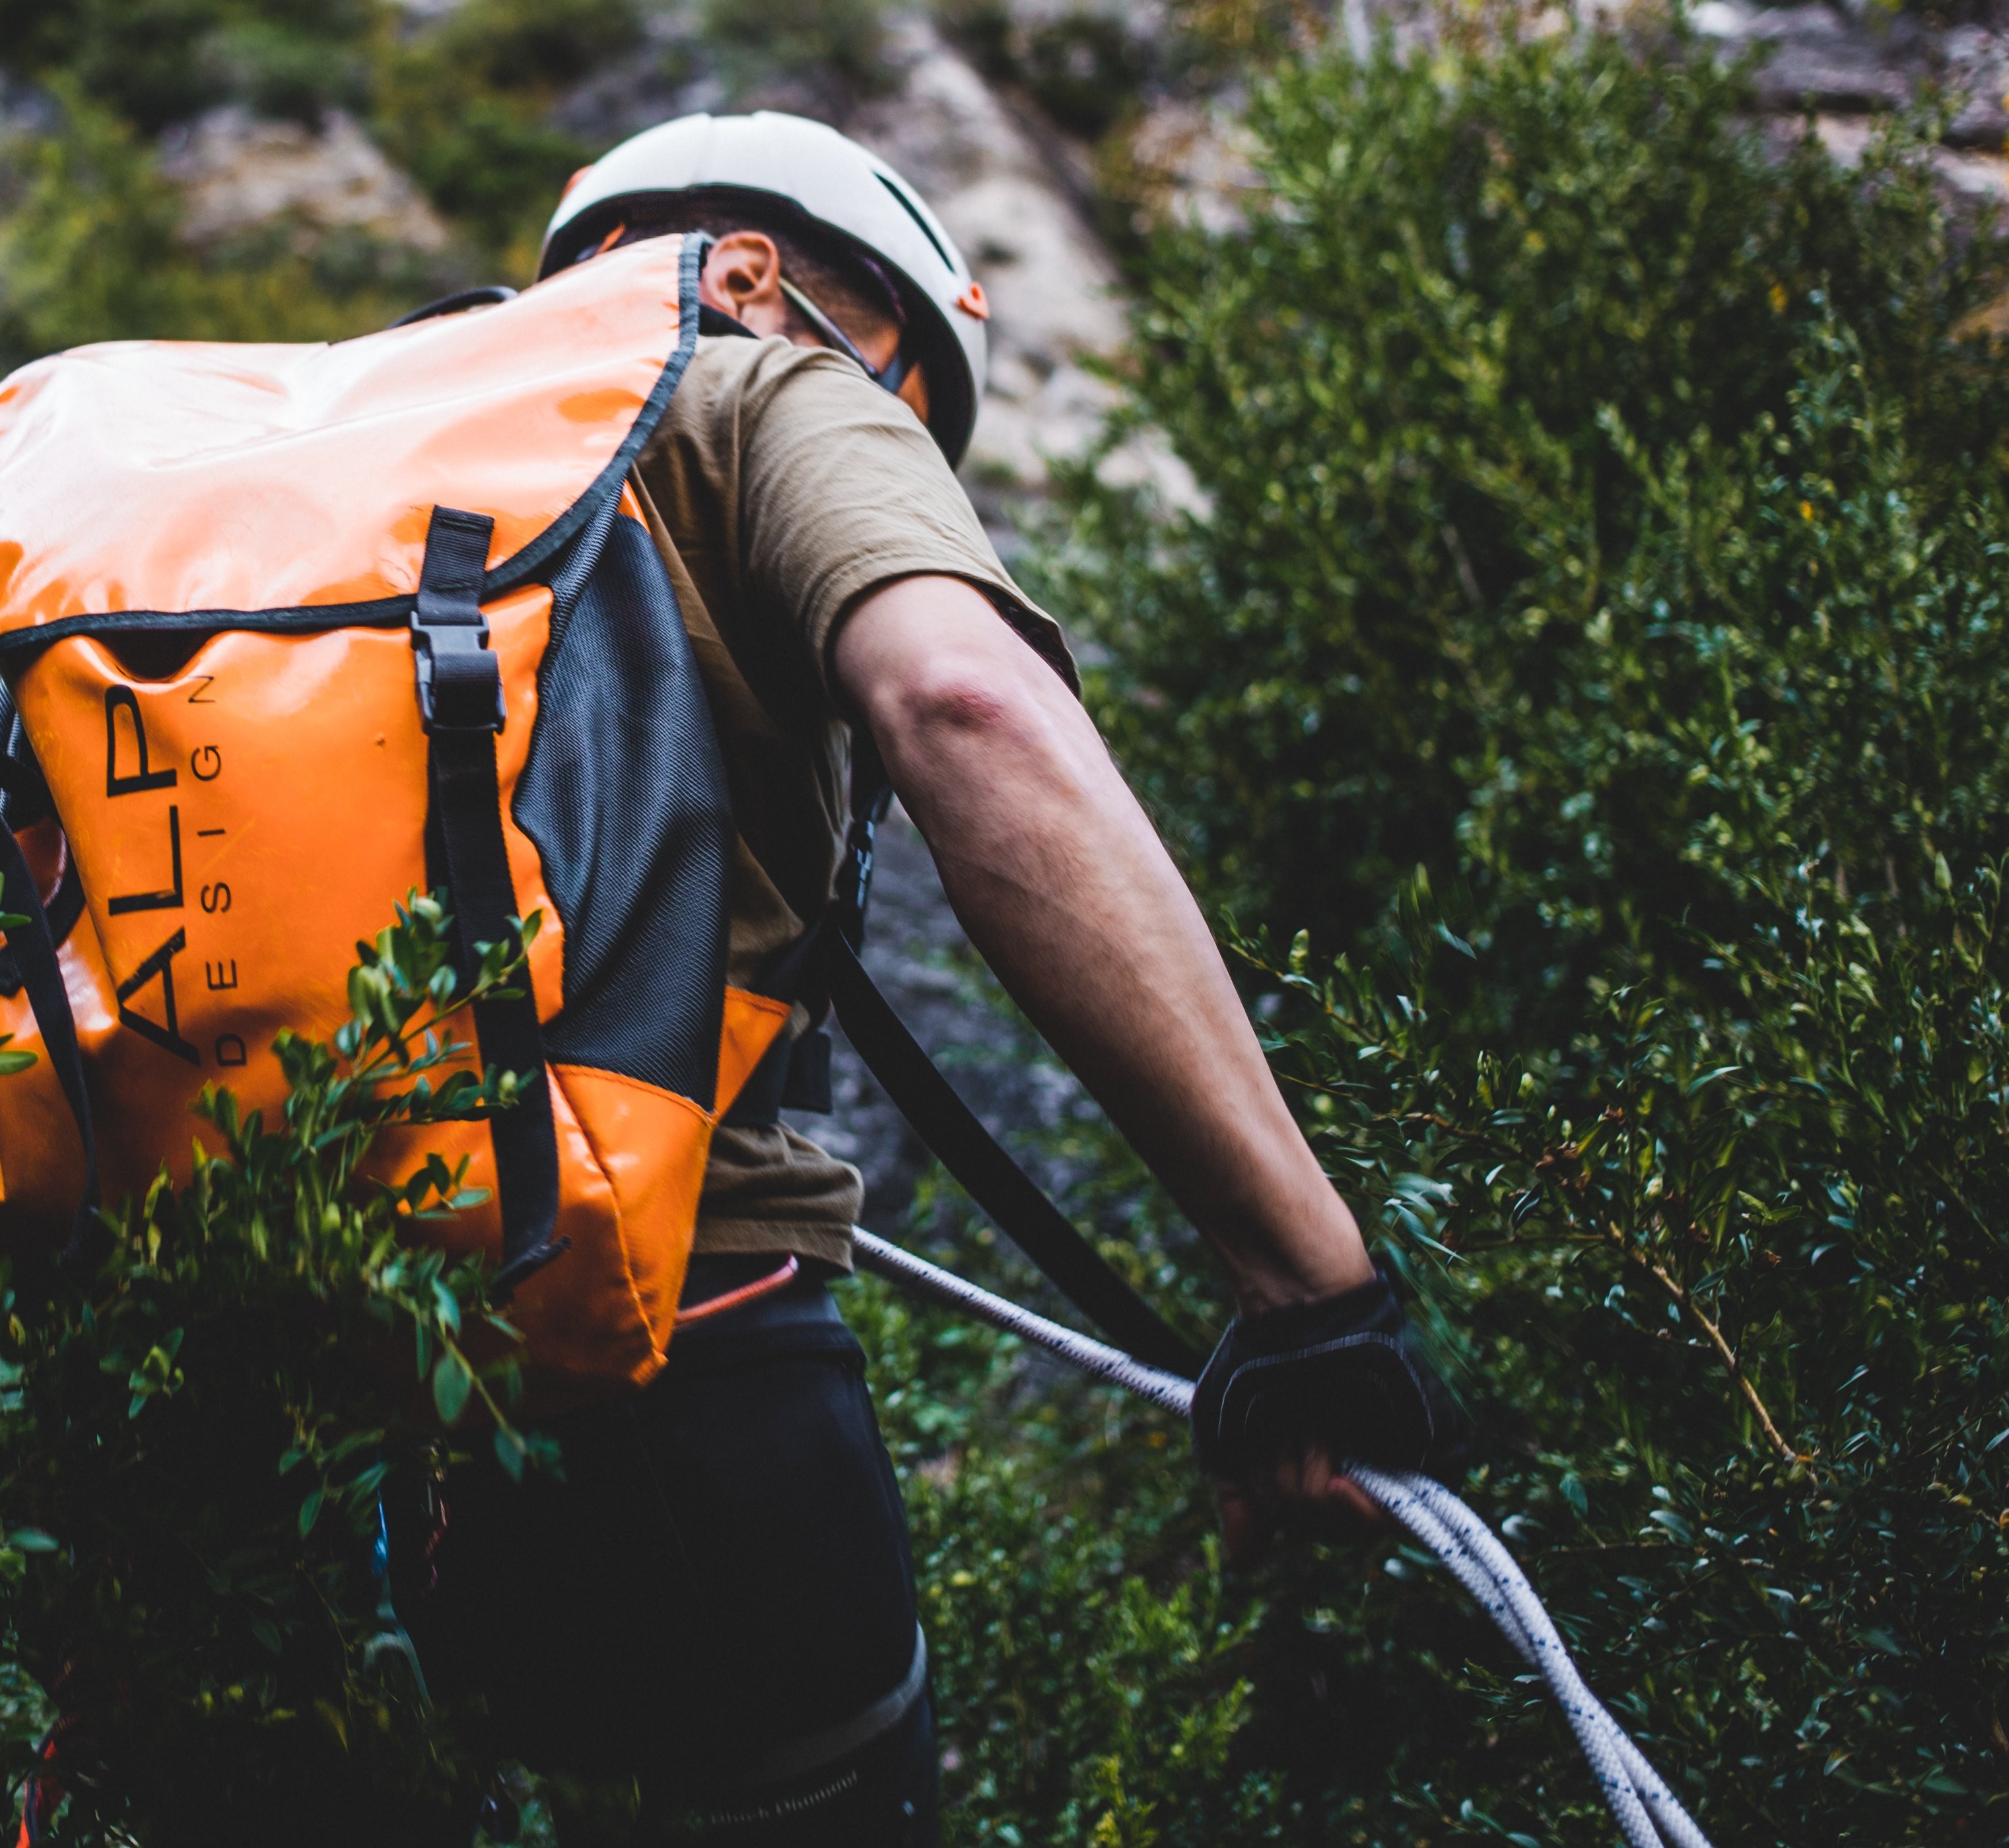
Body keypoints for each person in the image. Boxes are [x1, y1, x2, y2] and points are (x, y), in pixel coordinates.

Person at [400, 112, 1466, 1845]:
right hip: (667, 1363)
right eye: (913, 413)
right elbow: (968, 713)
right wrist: (1314, 1299)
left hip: (256, 1372)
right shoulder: (754, 382)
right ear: (768, 282)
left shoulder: (323, 472)